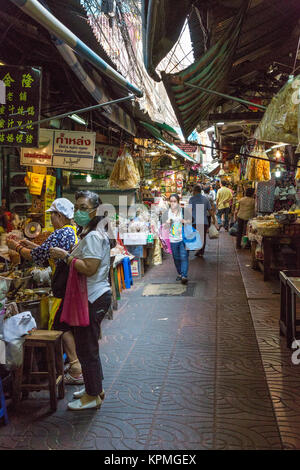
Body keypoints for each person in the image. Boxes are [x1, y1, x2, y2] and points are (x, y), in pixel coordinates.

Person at [7, 198, 83, 384]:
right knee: (65, 325)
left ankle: (76, 369)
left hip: (62, 285)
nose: (51, 219)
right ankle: (74, 365)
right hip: (69, 286)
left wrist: (16, 247)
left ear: (60, 215)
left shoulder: (60, 233)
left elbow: (36, 258)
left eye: (52, 215)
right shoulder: (70, 231)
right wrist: (26, 243)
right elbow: (44, 251)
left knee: (61, 326)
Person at [50, 190, 112, 411]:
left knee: (87, 350)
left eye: (84, 208)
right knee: (87, 348)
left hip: (94, 297)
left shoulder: (95, 236)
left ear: (96, 210)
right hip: (94, 295)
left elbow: (89, 268)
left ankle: (93, 396)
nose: (79, 212)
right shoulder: (92, 232)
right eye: (77, 207)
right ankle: (94, 390)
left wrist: (65, 257)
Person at [165, 193, 190, 284]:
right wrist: (167, 223)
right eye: (171, 201)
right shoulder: (167, 212)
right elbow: (165, 226)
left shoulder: (183, 211)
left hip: (183, 238)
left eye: (175, 201)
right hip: (173, 239)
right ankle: (180, 273)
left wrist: (184, 221)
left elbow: (191, 220)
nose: (173, 203)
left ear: (178, 202)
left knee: (184, 256)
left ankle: (184, 275)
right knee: (176, 258)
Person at [189, 185, 215, 257]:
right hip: (203, 221)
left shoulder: (191, 199)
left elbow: (189, 210)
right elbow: (210, 210)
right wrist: (214, 219)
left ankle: (197, 248)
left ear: (195, 191)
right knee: (202, 237)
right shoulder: (205, 199)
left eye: (193, 191)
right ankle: (201, 251)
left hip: (194, 221)